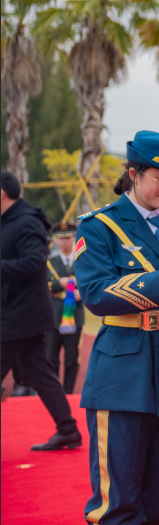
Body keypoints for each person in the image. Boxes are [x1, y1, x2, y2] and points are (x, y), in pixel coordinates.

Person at [75, 131, 159, 524]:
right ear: (133, 174)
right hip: (123, 371)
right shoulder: (100, 226)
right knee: (118, 499)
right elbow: (97, 293)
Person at [1, 170, 82, 450]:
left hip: (20, 316)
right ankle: (68, 429)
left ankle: (68, 429)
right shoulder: (9, 221)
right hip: (21, 314)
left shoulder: (26, 222)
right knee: (43, 376)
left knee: (44, 374)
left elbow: (34, 262)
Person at [47, 221, 86, 394]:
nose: (64, 241)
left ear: (74, 238)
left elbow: (94, 283)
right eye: (61, 238)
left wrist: (83, 294)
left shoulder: (83, 261)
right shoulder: (49, 263)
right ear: (55, 240)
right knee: (51, 358)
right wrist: (58, 284)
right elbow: (41, 286)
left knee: (71, 358)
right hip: (53, 316)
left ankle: (68, 393)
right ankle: (54, 394)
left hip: (75, 316)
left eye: (68, 237)